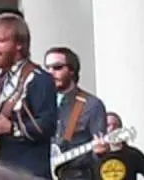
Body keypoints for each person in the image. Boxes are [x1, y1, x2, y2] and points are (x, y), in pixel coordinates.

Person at [0, 13, 57, 179]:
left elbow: (47, 125)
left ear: (19, 44)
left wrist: (11, 128)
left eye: (0, 41)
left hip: (28, 172)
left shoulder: (39, 79)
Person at [43, 47, 108, 180]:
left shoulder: (92, 105)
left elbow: (99, 154)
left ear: (72, 70)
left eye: (57, 67)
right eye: (47, 68)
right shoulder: (41, 101)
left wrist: (100, 152)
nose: (51, 73)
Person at [95, 112, 144, 180]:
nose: (112, 128)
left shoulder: (134, 154)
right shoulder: (92, 157)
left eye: (115, 125)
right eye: (107, 125)